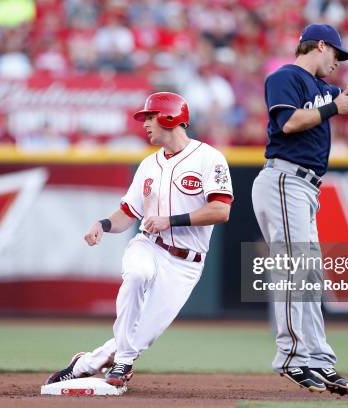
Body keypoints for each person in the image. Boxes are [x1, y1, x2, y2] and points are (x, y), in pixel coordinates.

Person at [45, 92, 233, 388]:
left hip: (186, 263)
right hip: (149, 245)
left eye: (150, 117)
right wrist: (103, 224)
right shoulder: (148, 165)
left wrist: (170, 220)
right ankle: (122, 364)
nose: (144, 123)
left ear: (170, 117)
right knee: (136, 274)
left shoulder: (210, 158)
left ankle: (85, 363)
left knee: (145, 332)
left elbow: (221, 210)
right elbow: (127, 212)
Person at [251, 24, 348, 394]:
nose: (338, 63)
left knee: (310, 277)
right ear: (321, 46)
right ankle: (293, 357)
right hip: (283, 179)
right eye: (336, 55)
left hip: (305, 187)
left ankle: (318, 360)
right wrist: (332, 107)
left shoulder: (322, 90)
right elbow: (289, 122)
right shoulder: (285, 77)